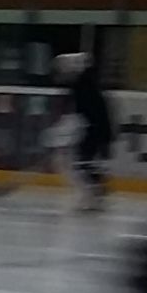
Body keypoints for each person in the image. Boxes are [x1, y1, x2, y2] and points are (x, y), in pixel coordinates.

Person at [57, 49, 116, 211]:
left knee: (81, 164)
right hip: (93, 131)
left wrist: (68, 130)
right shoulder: (83, 85)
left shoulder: (83, 86)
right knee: (84, 164)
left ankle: (91, 195)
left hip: (94, 132)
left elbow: (85, 113)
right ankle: (94, 193)